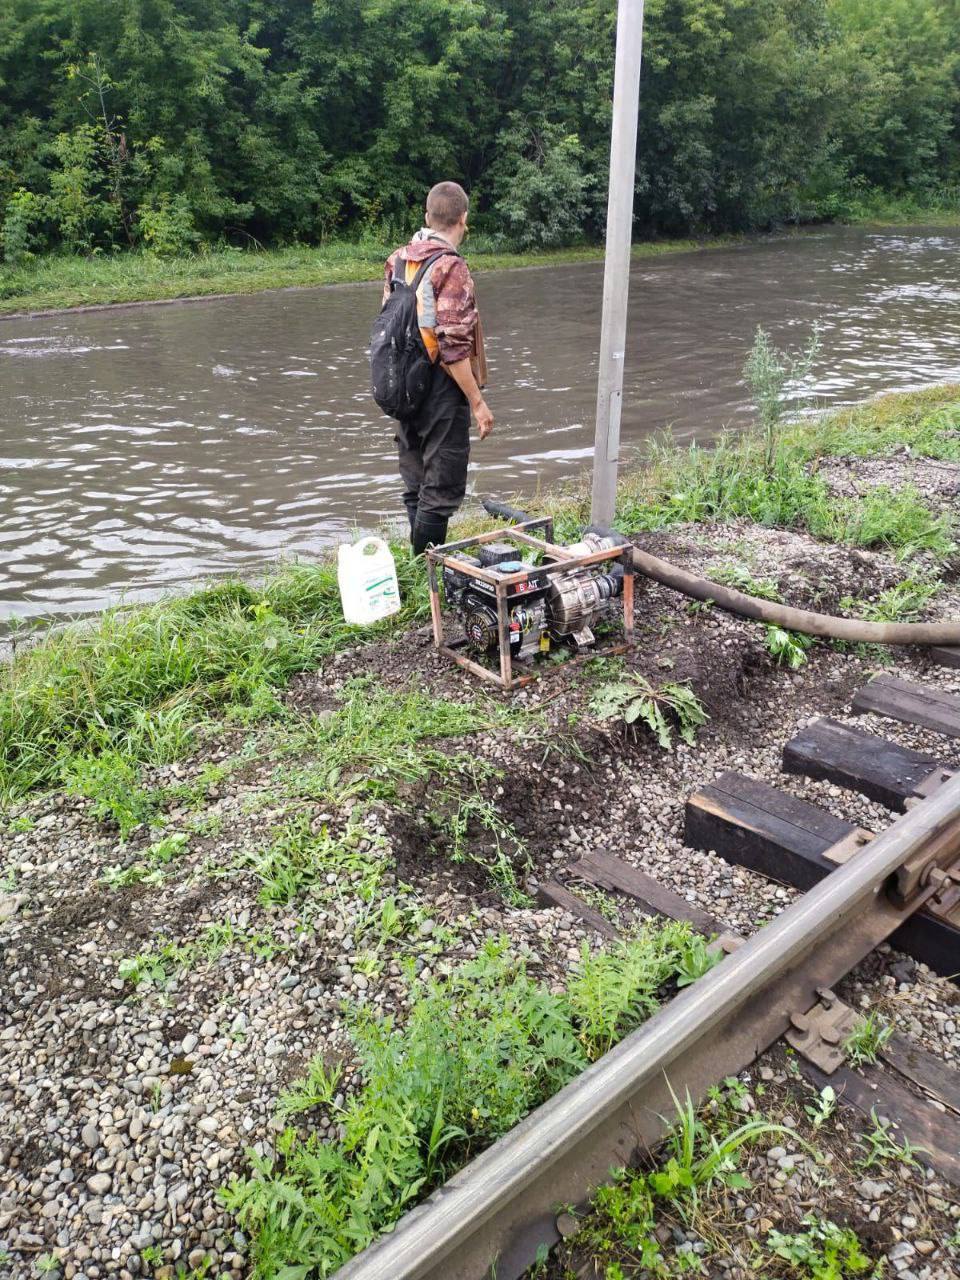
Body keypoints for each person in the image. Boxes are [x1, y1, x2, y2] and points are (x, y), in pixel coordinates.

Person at [383, 181, 494, 555]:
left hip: (401, 383)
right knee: (441, 484)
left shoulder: (398, 259)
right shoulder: (450, 267)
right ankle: (427, 569)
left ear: (427, 216)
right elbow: (453, 347)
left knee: (416, 477)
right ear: (463, 219)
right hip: (439, 389)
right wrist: (477, 402)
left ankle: (420, 563)